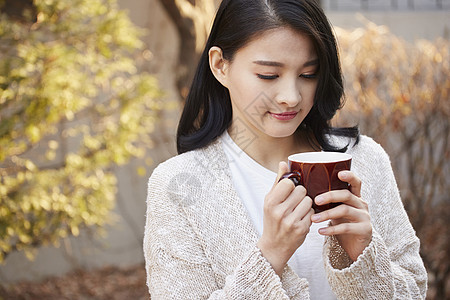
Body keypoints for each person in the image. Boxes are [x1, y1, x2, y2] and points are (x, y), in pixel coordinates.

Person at [143, 0, 428, 299]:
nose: (291, 97)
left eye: (308, 74)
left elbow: (414, 289)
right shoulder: (177, 186)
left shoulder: (364, 159)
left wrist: (364, 257)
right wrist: (270, 254)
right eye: (268, 75)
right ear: (219, 65)